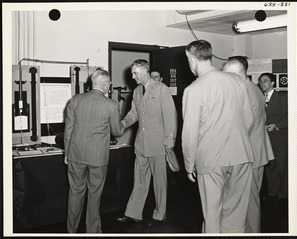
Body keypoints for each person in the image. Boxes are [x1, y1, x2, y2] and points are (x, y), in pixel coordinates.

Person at [182, 40, 255, 233]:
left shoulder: (193, 89)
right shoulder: (238, 81)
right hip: (242, 156)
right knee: (236, 216)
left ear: (191, 59)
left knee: (212, 214)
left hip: (211, 160)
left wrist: (189, 164)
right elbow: (249, 120)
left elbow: (190, 133)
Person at [117, 59, 177, 227]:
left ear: (144, 72)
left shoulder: (161, 89)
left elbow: (170, 116)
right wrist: (123, 123)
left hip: (158, 143)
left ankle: (160, 215)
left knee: (159, 182)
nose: (132, 76)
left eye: (135, 73)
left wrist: (169, 140)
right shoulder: (136, 91)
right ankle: (133, 213)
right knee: (140, 180)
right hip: (141, 144)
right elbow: (133, 113)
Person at [64, 68, 123, 233]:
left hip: (75, 154)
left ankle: (71, 232)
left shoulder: (75, 100)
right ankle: (92, 232)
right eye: (109, 83)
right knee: (94, 195)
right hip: (97, 157)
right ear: (104, 84)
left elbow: (68, 130)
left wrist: (67, 153)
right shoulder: (111, 104)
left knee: (75, 194)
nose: (109, 86)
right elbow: (117, 131)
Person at [223, 56, 274, 233]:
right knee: (250, 199)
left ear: (238, 74)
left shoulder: (244, 91)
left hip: (249, 153)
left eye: (227, 75)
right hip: (256, 150)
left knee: (250, 200)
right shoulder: (254, 88)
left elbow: (245, 125)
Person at [258, 72, 288, 203]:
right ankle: (272, 193)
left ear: (272, 83)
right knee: (270, 166)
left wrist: (277, 125)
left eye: (265, 81)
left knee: (282, 167)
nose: (262, 84)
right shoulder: (259, 98)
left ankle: (284, 195)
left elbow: (290, 115)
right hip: (265, 138)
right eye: (260, 81)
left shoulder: (282, 97)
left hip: (279, 137)